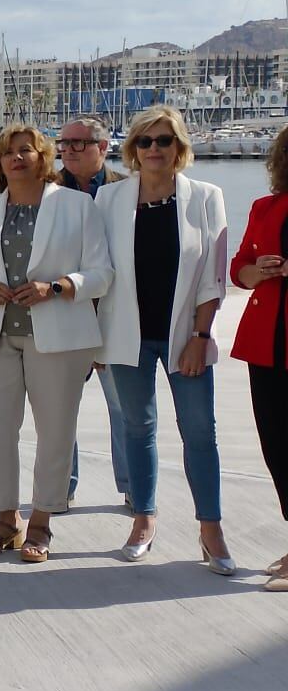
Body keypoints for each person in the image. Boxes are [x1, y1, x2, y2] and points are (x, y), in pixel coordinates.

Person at [0, 125, 112, 563]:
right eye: (7, 152)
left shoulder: (78, 206)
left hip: (59, 335)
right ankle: (7, 521)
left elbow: (101, 273)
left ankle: (41, 523)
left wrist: (57, 287)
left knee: (55, 431)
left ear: (43, 156)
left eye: (26, 150)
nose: (16, 157)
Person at [95, 106, 232, 572]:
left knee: (200, 434)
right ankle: (143, 519)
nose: (154, 149)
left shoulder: (206, 197)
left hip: (184, 337)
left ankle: (211, 528)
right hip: (127, 338)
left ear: (179, 147)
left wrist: (200, 335)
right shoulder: (109, 200)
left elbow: (214, 277)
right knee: (138, 429)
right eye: (145, 142)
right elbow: (100, 273)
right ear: (133, 149)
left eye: (164, 140)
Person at [56, 115, 129, 506]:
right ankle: (60, 488)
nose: (67, 150)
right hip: (65, 314)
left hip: (116, 317)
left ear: (103, 148)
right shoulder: (48, 190)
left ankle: (134, 488)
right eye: (63, 143)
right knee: (61, 410)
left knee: (124, 409)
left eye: (78, 143)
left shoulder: (128, 190)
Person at [230, 123, 288, 591]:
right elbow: (238, 268)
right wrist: (256, 270)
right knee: (277, 445)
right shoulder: (265, 206)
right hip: (265, 341)